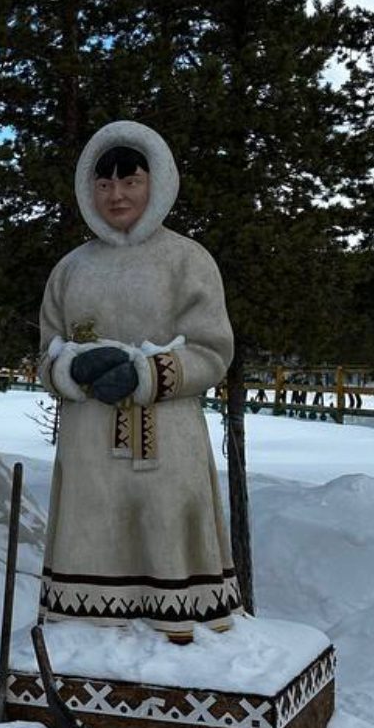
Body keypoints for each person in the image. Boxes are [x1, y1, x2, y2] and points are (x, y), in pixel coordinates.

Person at [37, 118, 240, 641]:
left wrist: (146, 373)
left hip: (167, 445)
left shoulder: (187, 261)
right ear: (88, 189)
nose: (117, 195)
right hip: (88, 448)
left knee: (164, 533)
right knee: (91, 537)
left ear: (158, 182)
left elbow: (212, 350)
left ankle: (176, 630)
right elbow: (46, 352)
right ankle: (84, 636)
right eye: (104, 183)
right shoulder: (71, 269)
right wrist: (69, 368)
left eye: (131, 181)